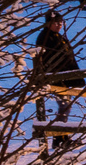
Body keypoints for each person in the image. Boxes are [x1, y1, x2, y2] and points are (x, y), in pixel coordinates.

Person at [33, 9, 82, 152]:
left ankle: (62, 137)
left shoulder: (56, 36)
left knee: (65, 107)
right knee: (64, 106)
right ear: (48, 23)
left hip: (63, 77)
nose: (59, 25)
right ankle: (59, 139)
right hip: (56, 78)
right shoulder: (45, 38)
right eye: (56, 22)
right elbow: (47, 60)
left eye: (61, 22)